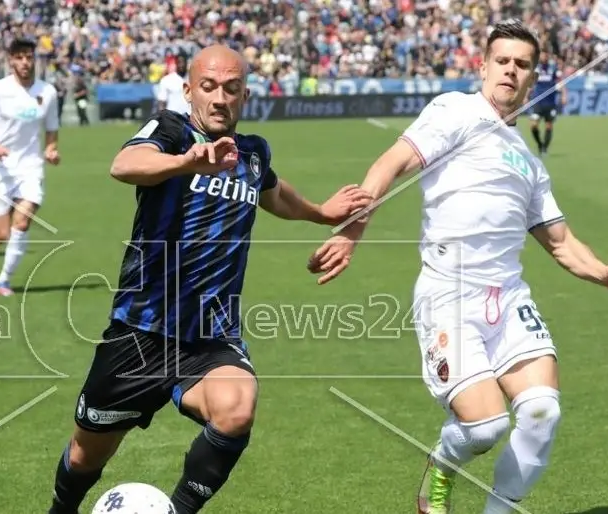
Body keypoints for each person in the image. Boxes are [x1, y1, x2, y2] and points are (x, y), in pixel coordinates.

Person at [306, 21, 608, 514]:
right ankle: (442, 464)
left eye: (522, 64)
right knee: (485, 428)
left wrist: (603, 273)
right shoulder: (455, 110)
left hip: (507, 300)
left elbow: (562, 242)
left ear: (532, 78)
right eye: (502, 60)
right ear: (483, 66)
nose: (511, 70)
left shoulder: (529, 162)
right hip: (448, 295)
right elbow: (391, 163)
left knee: (542, 411)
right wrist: (354, 228)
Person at [48, 45, 372, 514]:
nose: (220, 98)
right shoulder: (173, 130)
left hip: (210, 335)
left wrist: (323, 215)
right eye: (209, 87)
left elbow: (274, 194)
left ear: (245, 95)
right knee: (85, 454)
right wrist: (188, 162)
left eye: (232, 89)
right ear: (189, 91)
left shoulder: (253, 153)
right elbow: (125, 165)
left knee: (237, 406)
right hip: (141, 332)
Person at [0, 38, 60, 297]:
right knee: (2, 233)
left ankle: (4, 279)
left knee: (22, 221)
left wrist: (51, 149)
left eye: (29, 57)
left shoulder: (48, 92)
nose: (25, 62)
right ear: (11, 60)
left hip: (30, 168)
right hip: (1, 168)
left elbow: (51, 128)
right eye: (19, 57)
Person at [529, 51, 566, 157]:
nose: (543, 56)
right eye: (542, 54)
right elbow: (531, 83)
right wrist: (526, 95)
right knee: (533, 125)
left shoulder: (553, 67)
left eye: (545, 54)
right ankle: (540, 144)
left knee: (549, 126)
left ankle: (544, 148)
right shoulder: (536, 68)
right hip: (538, 101)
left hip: (550, 102)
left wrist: (564, 95)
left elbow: (560, 81)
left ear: (548, 56)